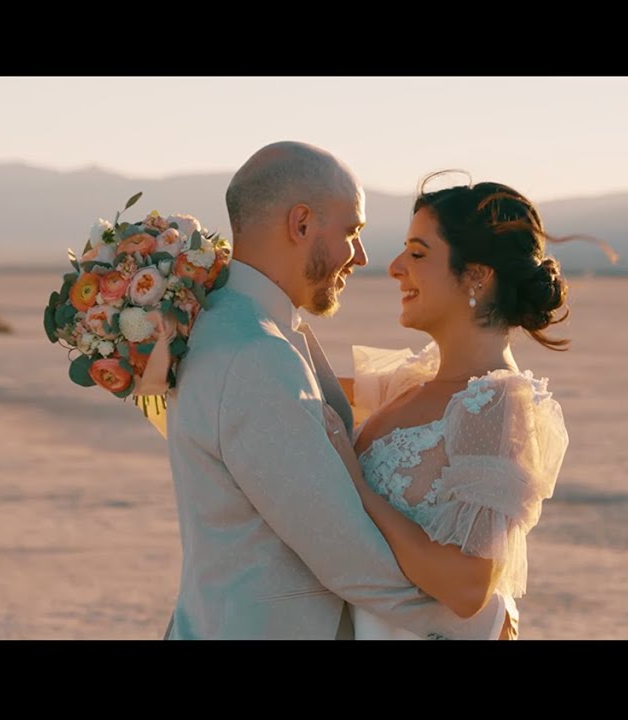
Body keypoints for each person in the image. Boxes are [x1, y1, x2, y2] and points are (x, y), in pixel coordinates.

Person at [160, 141, 449, 639]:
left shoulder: (222, 322)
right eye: (351, 232)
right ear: (301, 224)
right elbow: (342, 551)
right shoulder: (255, 353)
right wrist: (474, 620)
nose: (359, 256)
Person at [324, 174, 603, 639]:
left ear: (476, 274)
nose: (395, 267)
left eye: (417, 253)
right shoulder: (413, 381)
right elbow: (289, 388)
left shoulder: (493, 403)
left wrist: (357, 489)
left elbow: (467, 585)